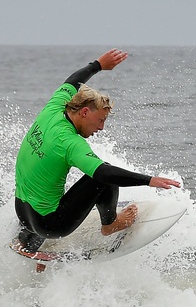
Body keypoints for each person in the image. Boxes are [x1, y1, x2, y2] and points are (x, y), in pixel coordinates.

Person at [13, 48, 181, 253]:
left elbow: (73, 81)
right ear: (84, 112)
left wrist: (98, 65)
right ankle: (110, 225)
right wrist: (149, 180)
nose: (101, 128)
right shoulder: (70, 142)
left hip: (21, 211)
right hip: (50, 225)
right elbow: (104, 173)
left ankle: (26, 241)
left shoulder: (53, 108)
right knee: (102, 176)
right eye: (100, 120)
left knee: (43, 186)